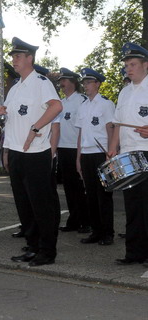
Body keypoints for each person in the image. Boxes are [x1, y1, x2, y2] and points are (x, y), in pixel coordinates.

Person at [0, 37, 62, 266]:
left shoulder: (41, 82)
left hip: (35, 153)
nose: (13, 60)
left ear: (29, 58)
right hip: (15, 152)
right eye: (13, 56)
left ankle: (47, 251)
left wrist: (35, 128)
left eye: (18, 56)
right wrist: (2, 111)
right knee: (23, 204)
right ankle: (32, 247)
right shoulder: (15, 87)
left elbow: (56, 106)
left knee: (41, 204)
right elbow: (13, 118)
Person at [108, 43, 148, 265]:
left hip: (147, 152)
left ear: (145, 65)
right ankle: (134, 253)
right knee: (132, 206)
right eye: (126, 66)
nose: (128, 69)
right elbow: (117, 125)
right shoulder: (124, 92)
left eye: (132, 65)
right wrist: (113, 149)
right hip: (128, 154)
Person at [75, 68, 115, 246]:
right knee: (90, 195)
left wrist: (111, 155)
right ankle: (96, 231)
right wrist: (78, 158)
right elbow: (81, 134)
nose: (85, 86)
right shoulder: (82, 106)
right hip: (86, 153)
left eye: (89, 82)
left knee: (104, 195)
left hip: (101, 154)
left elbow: (111, 129)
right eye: (84, 83)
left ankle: (108, 233)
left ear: (98, 84)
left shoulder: (106, 104)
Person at [56, 68, 91, 233]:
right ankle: (74, 220)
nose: (61, 84)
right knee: (69, 188)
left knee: (79, 188)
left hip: (76, 149)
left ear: (73, 82)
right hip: (62, 148)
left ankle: (86, 221)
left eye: (64, 81)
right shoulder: (61, 103)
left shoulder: (82, 101)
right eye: (61, 81)